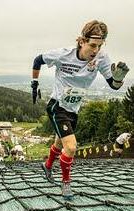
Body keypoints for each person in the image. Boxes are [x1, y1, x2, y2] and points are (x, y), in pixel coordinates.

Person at [31, 20, 129, 200]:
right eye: (92, 45)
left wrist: (118, 79)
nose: (95, 51)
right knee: (72, 146)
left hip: (73, 109)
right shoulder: (63, 54)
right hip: (57, 105)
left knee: (60, 143)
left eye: (99, 46)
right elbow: (38, 60)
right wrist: (34, 84)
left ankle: (47, 166)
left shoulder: (101, 58)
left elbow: (113, 86)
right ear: (82, 41)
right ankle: (66, 183)